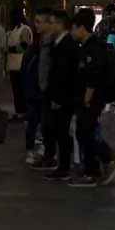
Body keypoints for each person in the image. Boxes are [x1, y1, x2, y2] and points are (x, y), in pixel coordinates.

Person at [66, 9, 115, 188]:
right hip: (88, 98)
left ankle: (99, 164)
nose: (72, 33)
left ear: (82, 28)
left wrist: (87, 99)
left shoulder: (93, 48)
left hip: (92, 99)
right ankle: (97, 165)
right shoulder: (88, 46)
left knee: (85, 132)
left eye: (73, 29)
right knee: (85, 132)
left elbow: (93, 76)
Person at [43, 10, 79, 181]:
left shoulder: (66, 44)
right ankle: (62, 162)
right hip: (58, 94)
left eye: (52, 23)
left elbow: (63, 74)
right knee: (58, 129)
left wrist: (58, 98)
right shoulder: (58, 42)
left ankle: (64, 165)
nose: (49, 26)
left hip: (63, 96)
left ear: (60, 24)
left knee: (61, 130)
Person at [23, 10, 51, 163]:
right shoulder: (35, 47)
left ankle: (44, 149)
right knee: (34, 120)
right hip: (34, 90)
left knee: (44, 121)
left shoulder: (47, 44)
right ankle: (31, 149)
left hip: (43, 90)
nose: (37, 25)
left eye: (40, 22)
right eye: (36, 22)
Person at [6, 7, 32, 120]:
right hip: (13, 63)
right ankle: (19, 110)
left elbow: (25, 45)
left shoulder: (24, 29)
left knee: (20, 89)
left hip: (21, 63)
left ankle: (23, 111)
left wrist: (14, 48)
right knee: (16, 89)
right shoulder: (14, 29)